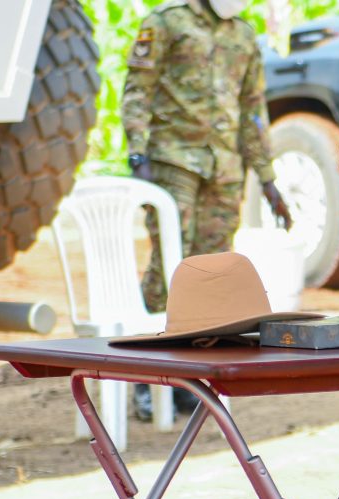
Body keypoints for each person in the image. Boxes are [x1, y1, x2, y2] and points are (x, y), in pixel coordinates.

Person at [121, 0, 291, 419]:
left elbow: (253, 111)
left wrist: (267, 178)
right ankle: (145, 376)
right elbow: (138, 91)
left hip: (224, 168)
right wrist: (138, 154)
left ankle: (188, 379)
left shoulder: (245, 35)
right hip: (173, 161)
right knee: (169, 266)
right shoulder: (166, 22)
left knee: (209, 276)